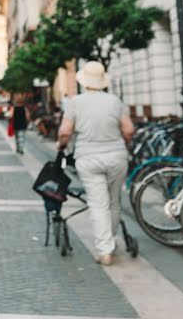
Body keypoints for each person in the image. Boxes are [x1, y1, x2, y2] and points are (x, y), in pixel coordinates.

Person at [56, 61, 134, 266]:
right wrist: (124, 144)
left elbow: (65, 132)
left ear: (84, 81)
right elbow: (128, 130)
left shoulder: (75, 102)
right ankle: (110, 241)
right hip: (116, 156)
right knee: (114, 202)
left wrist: (61, 145)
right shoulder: (115, 101)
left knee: (98, 204)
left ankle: (105, 250)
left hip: (88, 157)